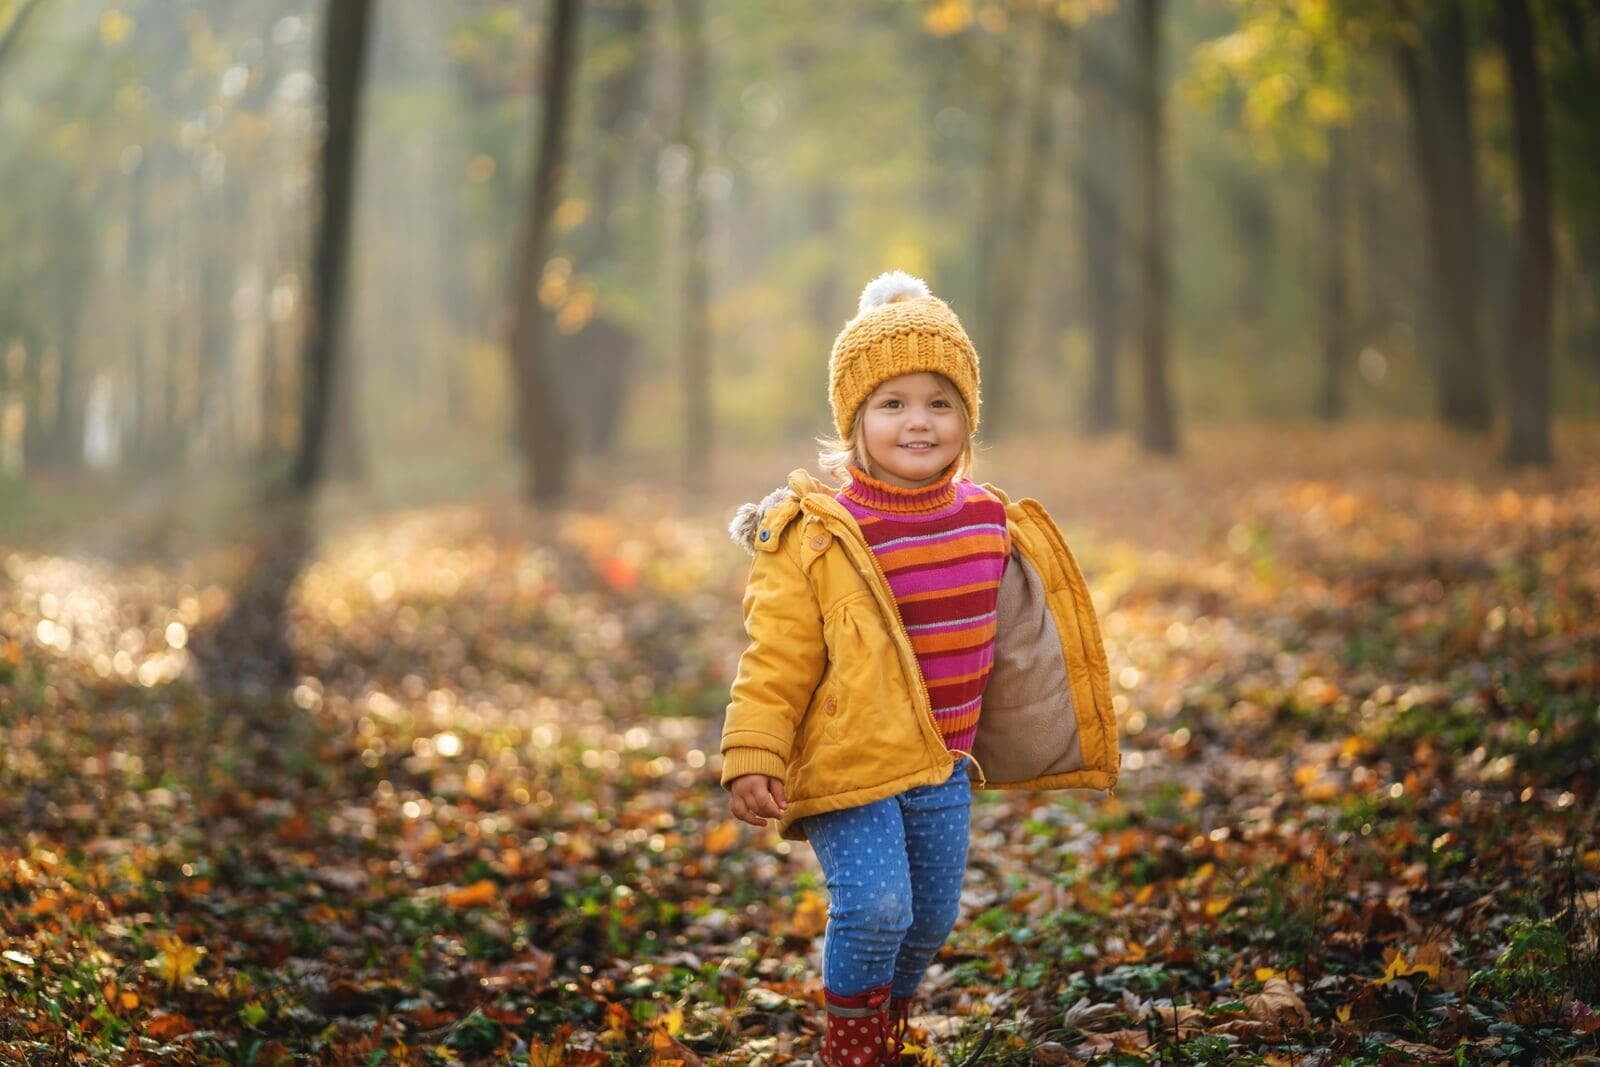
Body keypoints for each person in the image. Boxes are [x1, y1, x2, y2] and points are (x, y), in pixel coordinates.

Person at [721, 270, 1120, 1066]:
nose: (918, 422)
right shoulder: (819, 534)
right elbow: (776, 655)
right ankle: (853, 1048)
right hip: (848, 759)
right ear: (854, 419)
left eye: (940, 402)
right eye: (892, 404)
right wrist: (754, 750)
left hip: (941, 762)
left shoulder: (988, 519)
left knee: (929, 917)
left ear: (968, 416)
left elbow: (1023, 636)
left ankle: (886, 1019)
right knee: (876, 905)